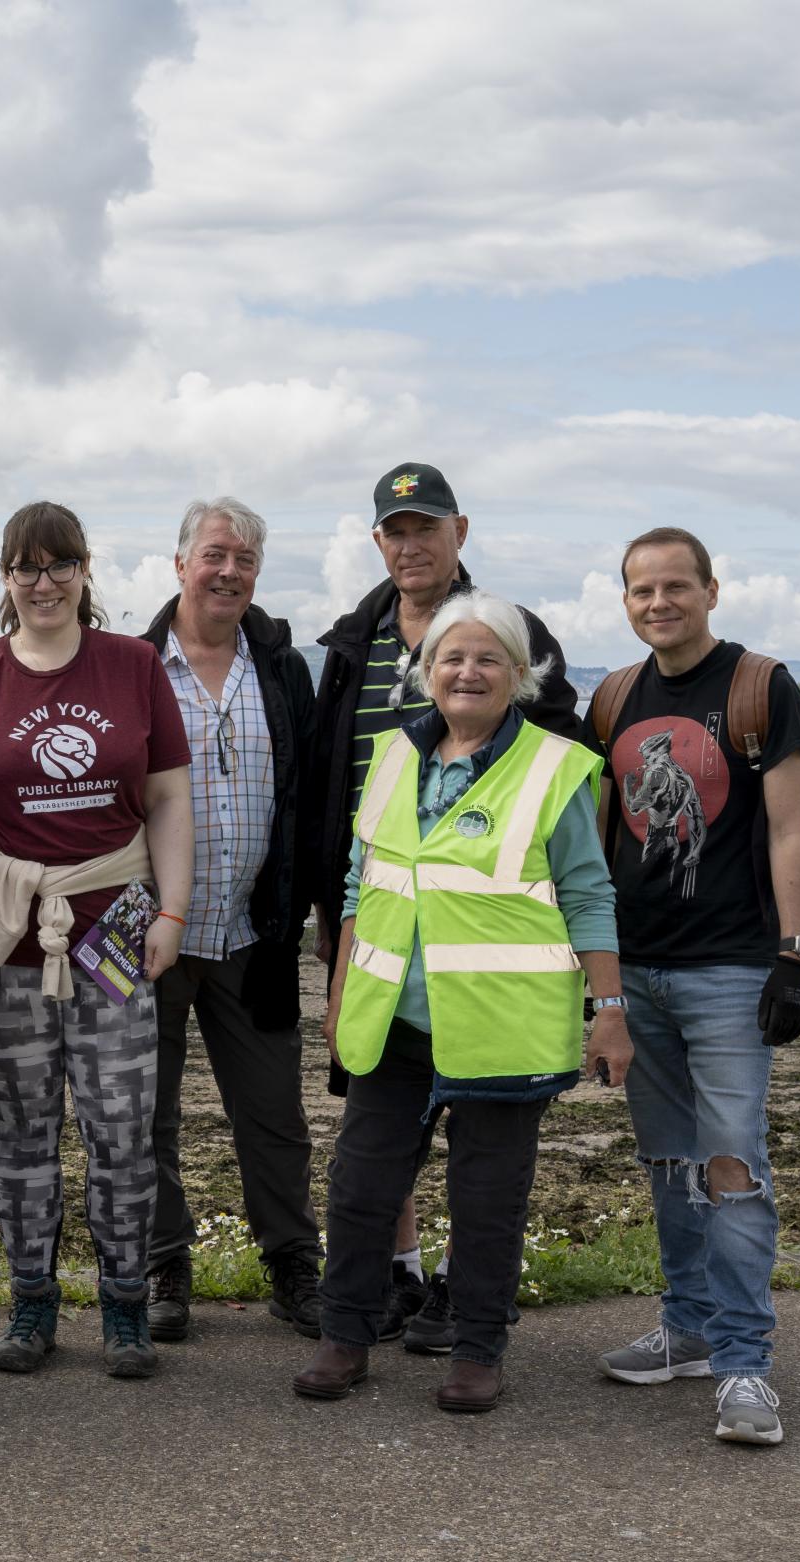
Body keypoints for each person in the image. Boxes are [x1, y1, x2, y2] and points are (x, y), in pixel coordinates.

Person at [294, 590, 625, 1413]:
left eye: (487, 659)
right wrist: (337, 999)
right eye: (451, 657)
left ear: (519, 675)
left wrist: (611, 1007)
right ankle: (346, 1336)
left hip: (502, 1028)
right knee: (361, 1187)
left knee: (487, 1200)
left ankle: (478, 1350)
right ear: (426, 671)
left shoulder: (555, 767)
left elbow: (589, 893)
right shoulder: (395, 756)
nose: (467, 671)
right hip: (393, 1022)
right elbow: (358, 883)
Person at [303, 461, 580, 1352]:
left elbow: (555, 769)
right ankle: (400, 1280)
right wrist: (334, 931)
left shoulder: (509, 629)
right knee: (375, 1145)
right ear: (378, 540)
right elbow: (327, 775)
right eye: (396, 529)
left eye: (427, 526)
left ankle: (467, 1307)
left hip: (488, 939)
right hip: (376, 916)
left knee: (484, 1162)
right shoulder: (355, 639)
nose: (410, 543)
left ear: (460, 531)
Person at [0, 501, 194, 1381]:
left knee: (121, 1131)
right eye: (25, 568)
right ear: (5, 581)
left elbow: (167, 799)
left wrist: (171, 914)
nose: (43, 583)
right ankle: (32, 1301)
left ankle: (125, 1305)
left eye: (59, 565)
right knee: (22, 1133)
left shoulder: (135, 665)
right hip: (8, 933)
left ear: (86, 570)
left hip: (115, 927)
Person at [587, 527, 800, 1447]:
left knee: (732, 1165)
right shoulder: (614, 698)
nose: (658, 603)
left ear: (711, 590)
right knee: (669, 1162)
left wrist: (793, 958)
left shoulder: (760, 687)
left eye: (676, 587)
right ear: (626, 600)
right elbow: (599, 836)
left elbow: (789, 829)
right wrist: (595, 976)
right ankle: (685, 1328)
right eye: (642, 590)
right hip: (637, 969)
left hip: (729, 968)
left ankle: (745, 1363)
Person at [133, 498, 320, 1342]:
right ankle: (164, 1265)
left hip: (257, 933)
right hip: (150, 937)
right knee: (146, 1114)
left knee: (275, 1114)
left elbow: (308, 802)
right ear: (179, 565)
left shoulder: (281, 669)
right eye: (214, 554)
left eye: (245, 560)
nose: (229, 572)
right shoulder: (133, 668)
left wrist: (306, 916)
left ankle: (292, 1267)